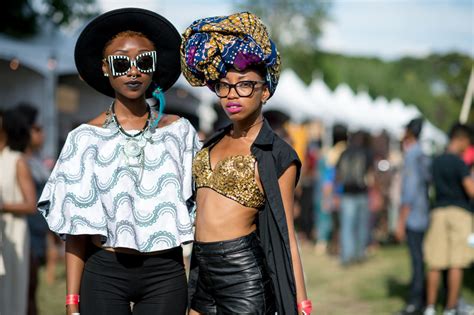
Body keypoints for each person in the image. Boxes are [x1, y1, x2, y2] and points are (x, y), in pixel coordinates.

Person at [37, 8, 200, 315]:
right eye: (121, 62)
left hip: (165, 272)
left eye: (144, 61)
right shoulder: (84, 139)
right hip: (103, 272)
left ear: (154, 68)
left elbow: (203, 212)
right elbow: (77, 227)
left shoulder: (180, 133)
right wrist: (72, 302)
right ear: (105, 68)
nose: (133, 70)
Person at [181, 12, 310, 315]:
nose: (232, 95)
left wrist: (302, 304)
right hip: (202, 273)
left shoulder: (276, 154)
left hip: (244, 279)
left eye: (245, 85)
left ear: (265, 91)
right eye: (224, 86)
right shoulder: (209, 144)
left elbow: (286, 234)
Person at [423, 123, 474, 315]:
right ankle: (450, 308)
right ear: (460, 139)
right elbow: (470, 190)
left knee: (435, 262)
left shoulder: (436, 161)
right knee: (456, 263)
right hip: (459, 213)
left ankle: (429, 307)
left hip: (438, 212)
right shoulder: (459, 163)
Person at [0, 109, 37, 315]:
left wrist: (3, 205)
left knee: (11, 290)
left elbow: (31, 204)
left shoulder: (16, 160)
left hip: (14, 230)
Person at [395, 117, 431, 315]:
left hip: (414, 216)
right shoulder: (423, 155)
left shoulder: (412, 155)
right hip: (423, 212)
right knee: (420, 258)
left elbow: (408, 192)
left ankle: (416, 301)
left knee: (417, 260)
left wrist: (401, 221)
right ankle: (423, 297)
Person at [336, 130, 373, 265]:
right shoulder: (366, 153)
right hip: (362, 193)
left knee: (347, 226)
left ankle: (347, 256)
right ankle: (359, 254)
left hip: (346, 194)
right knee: (362, 226)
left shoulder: (344, 153)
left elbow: (338, 175)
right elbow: (371, 175)